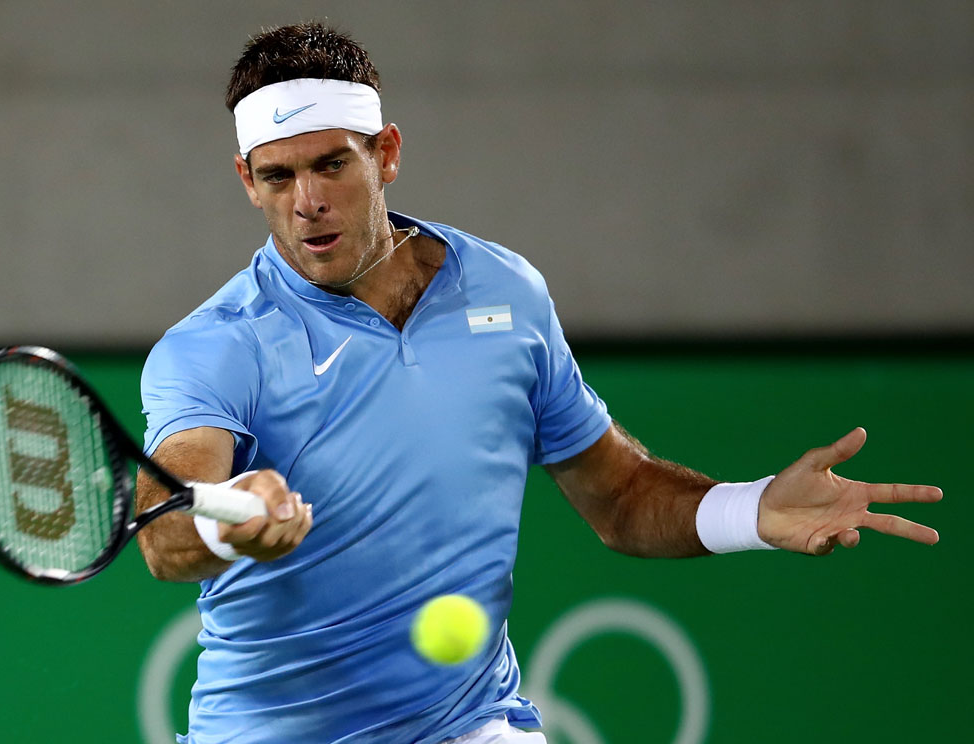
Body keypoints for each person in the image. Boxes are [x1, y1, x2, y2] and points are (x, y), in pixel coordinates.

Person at [135, 22, 942, 744]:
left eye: (331, 164)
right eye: (277, 177)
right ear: (246, 178)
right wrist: (226, 528)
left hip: (472, 724)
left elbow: (620, 498)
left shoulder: (505, 292)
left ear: (386, 154)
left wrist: (752, 509)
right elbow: (162, 529)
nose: (307, 202)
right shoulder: (215, 347)